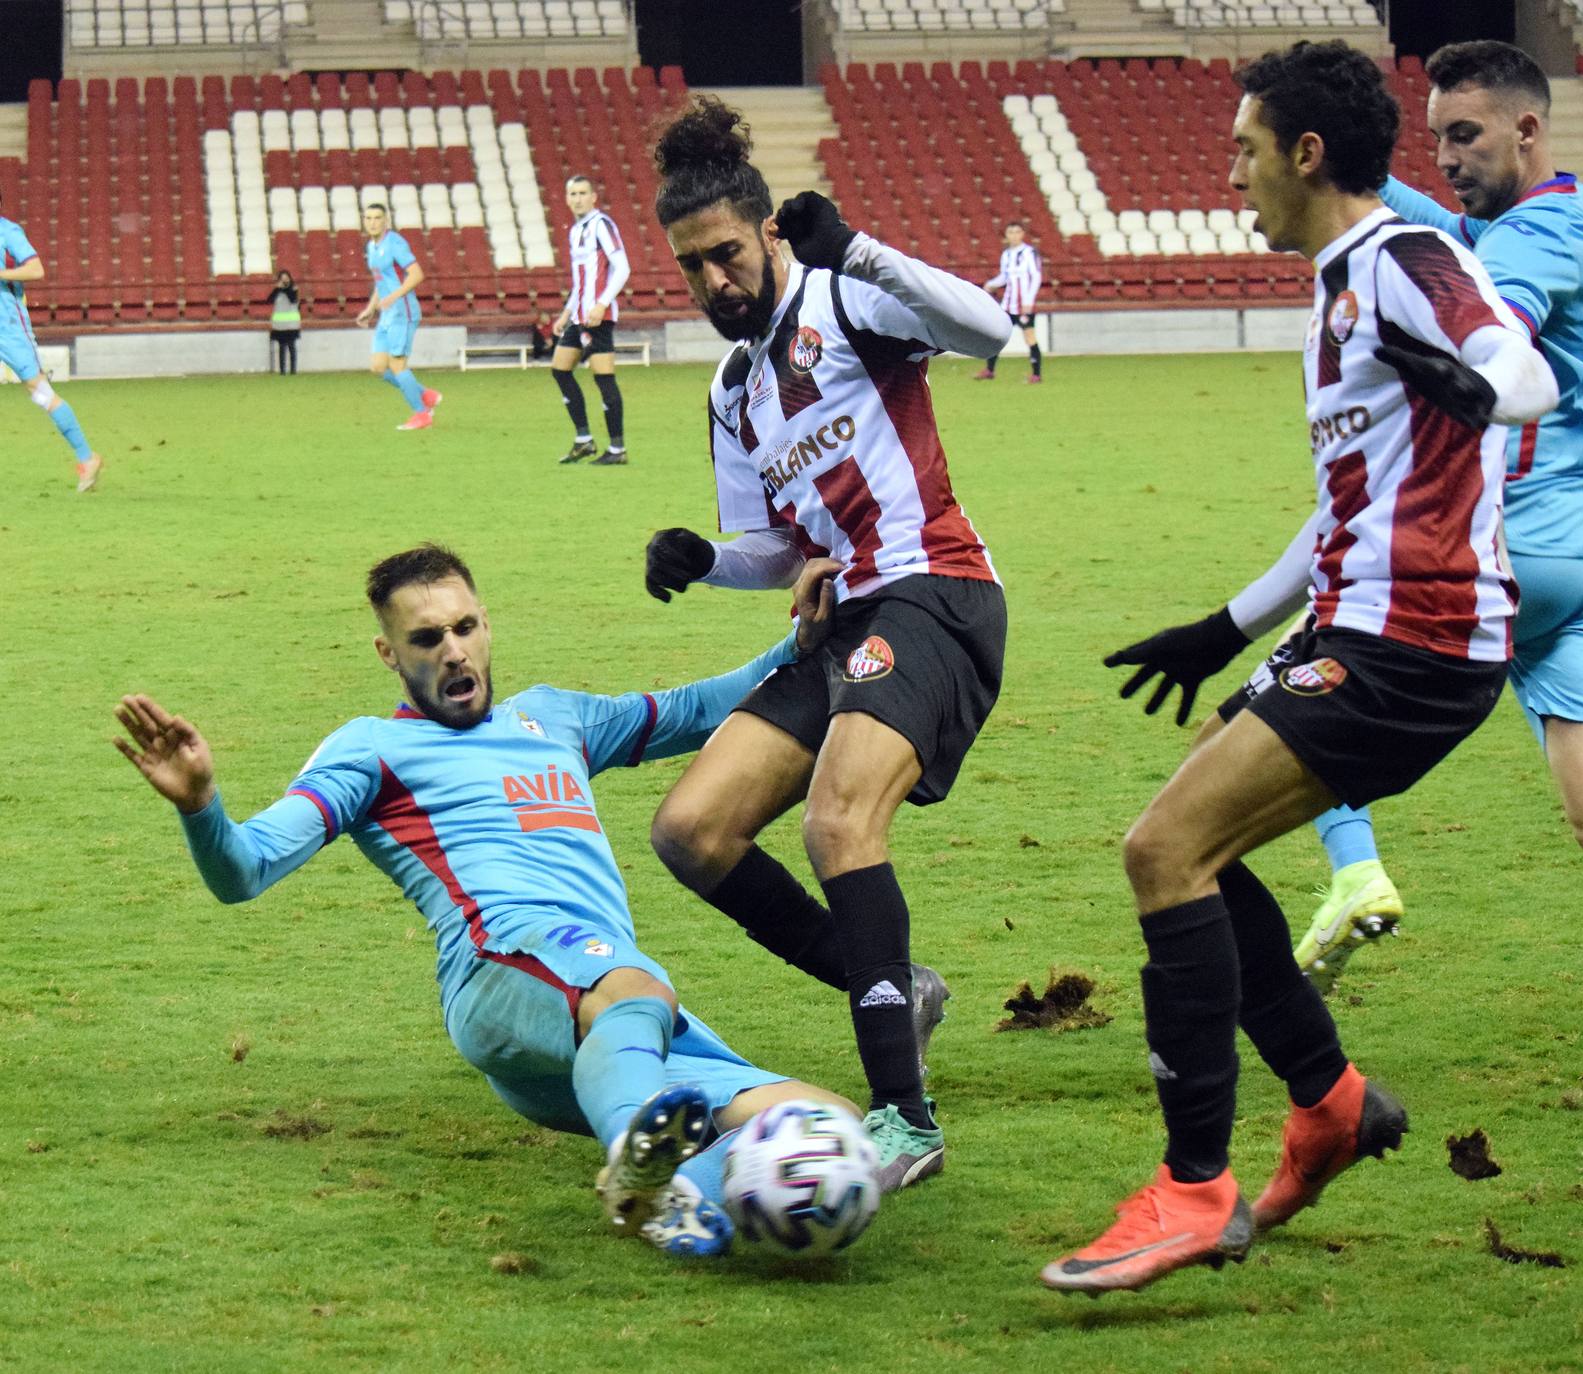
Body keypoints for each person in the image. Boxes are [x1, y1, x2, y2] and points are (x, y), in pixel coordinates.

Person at [1040, 40, 1559, 1296]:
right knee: (1195, 861)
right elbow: (1348, 505)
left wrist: (1474, 385)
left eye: (1243, 150)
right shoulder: (1339, 284)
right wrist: (1223, 626)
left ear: (1304, 153)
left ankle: (1190, 1186)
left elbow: (1521, 371)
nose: (1233, 176)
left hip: (1415, 642)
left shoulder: (1397, 261)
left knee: (1162, 852)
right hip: (1356, 627)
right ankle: (1327, 1104)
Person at [112, 543, 862, 1259]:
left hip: (600, 1017)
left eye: (465, 627)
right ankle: (636, 1167)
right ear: (389, 655)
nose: (453, 651)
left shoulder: (555, 719)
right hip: (504, 970)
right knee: (637, 990)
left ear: (486, 624)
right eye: (427, 637)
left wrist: (800, 643)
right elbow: (245, 870)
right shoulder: (371, 749)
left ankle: (683, 1194)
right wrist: (201, 806)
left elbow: (698, 709)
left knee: (826, 1127)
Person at [638, 97, 1012, 1192]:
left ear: (764, 234)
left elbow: (991, 330)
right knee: (690, 832)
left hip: (933, 594)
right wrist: (699, 559)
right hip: (843, 616)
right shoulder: (731, 389)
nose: (713, 283)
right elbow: (769, 546)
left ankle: (904, 1119)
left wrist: (854, 246)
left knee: (838, 818)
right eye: (690, 268)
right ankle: (891, 979)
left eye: (725, 256)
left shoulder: (845, 299)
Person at [1297, 41, 1583, 989]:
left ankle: (1354, 873)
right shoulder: (1567, 218)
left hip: (1513, 547)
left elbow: (1489, 316)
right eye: (1436, 139)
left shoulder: (1522, 246)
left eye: (1464, 135)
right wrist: (1358, 165)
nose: (1448, 156)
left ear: (1527, 128)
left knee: (1301, 687)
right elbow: (1448, 233)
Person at [0, 190, 103, 492]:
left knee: (41, 393)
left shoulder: (8, 231)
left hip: (9, 329)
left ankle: (87, 458)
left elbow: (36, 269)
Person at [552, 175, 631, 466]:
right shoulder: (575, 231)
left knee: (603, 378)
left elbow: (623, 268)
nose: (577, 198)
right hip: (578, 316)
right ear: (566, 198)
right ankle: (584, 440)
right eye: (572, 193)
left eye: (583, 193)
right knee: (560, 369)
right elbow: (579, 281)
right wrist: (565, 313)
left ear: (593, 197)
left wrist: (601, 304)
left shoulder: (602, 225)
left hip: (599, 317)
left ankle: (617, 448)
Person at [354, 204, 440, 432]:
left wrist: (393, 296)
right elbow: (380, 280)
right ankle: (425, 395)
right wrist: (371, 308)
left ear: (386, 221)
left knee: (398, 364)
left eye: (377, 218)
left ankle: (422, 414)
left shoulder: (395, 243)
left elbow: (417, 274)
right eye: (368, 218)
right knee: (378, 366)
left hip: (403, 311)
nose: (372, 222)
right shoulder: (372, 246)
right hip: (386, 313)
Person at [974, 221, 1043, 383]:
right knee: (997, 335)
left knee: (1029, 336)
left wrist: (1028, 300)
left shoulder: (1029, 253)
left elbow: (1036, 277)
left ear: (1022, 234)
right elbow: (1005, 276)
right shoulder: (1006, 254)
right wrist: (991, 284)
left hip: (1023, 304)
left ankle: (1036, 374)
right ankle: (989, 370)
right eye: (1010, 232)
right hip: (1007, 304)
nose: (1013, 235)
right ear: (1006, 235)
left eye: (1017, 232)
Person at [266, 269, 301, 375]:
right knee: (282, 347)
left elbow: (292, 299)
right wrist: (277, 289)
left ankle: (293, 370)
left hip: (291, 324)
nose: (284, 280)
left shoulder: (294, 289)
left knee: (291, 346)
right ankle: (282, 371)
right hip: (280, 325)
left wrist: (285, 289)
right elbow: (269, 300)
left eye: (286, 278)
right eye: (282, 278)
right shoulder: (277, 291)